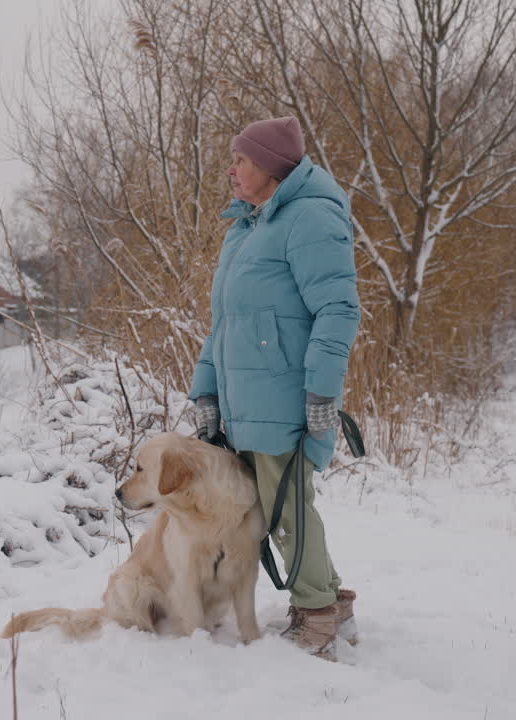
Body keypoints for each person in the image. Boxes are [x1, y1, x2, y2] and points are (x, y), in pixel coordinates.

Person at [189, 116, 360, 660]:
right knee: (281, 506)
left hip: (284, 396)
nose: (231, 170)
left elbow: (337, 310)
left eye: (240, 160)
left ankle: (316, 619)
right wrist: (207, 393)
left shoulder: (308, 217)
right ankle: (333, 600)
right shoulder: (245, 229)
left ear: (269, 166)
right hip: (245, 399)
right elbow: (224, 325)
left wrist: (321, 394)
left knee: (287, 510)